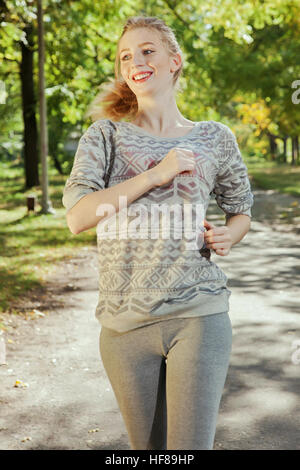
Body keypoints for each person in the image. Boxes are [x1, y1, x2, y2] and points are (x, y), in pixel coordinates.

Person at [62, 16, 254, 450]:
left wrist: (230, 235)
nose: (136, 61)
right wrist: (155, 174)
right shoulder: (105, 136)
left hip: (198, 313)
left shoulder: (214, 137)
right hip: (124, 322)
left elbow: (241, 211)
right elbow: (78, 217)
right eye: (126, 56)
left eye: (148, 50)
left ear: (174, 62)